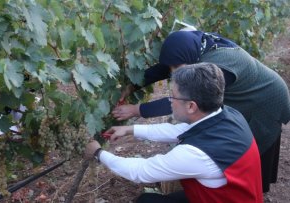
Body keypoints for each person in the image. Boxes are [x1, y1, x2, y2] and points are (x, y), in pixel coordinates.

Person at [112, 30, 290, 193]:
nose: (173, 73)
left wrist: (137, 110)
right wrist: (132, 86)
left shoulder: (217, 67)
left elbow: (182, 101)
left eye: (177, 68)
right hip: (252, 93)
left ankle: (246, 191)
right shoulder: (195, 47)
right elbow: (170, 64)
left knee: (245, 150)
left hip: (267, 100)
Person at [85, 63, 263, 203]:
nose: (170, 101)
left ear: (191, 106)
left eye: (173, 96)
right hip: (234, 198)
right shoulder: (228, 115)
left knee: (147, 201)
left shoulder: (196, 154)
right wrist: (130, 130)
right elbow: (178, 131)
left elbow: (140, 171)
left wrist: (98, 153)